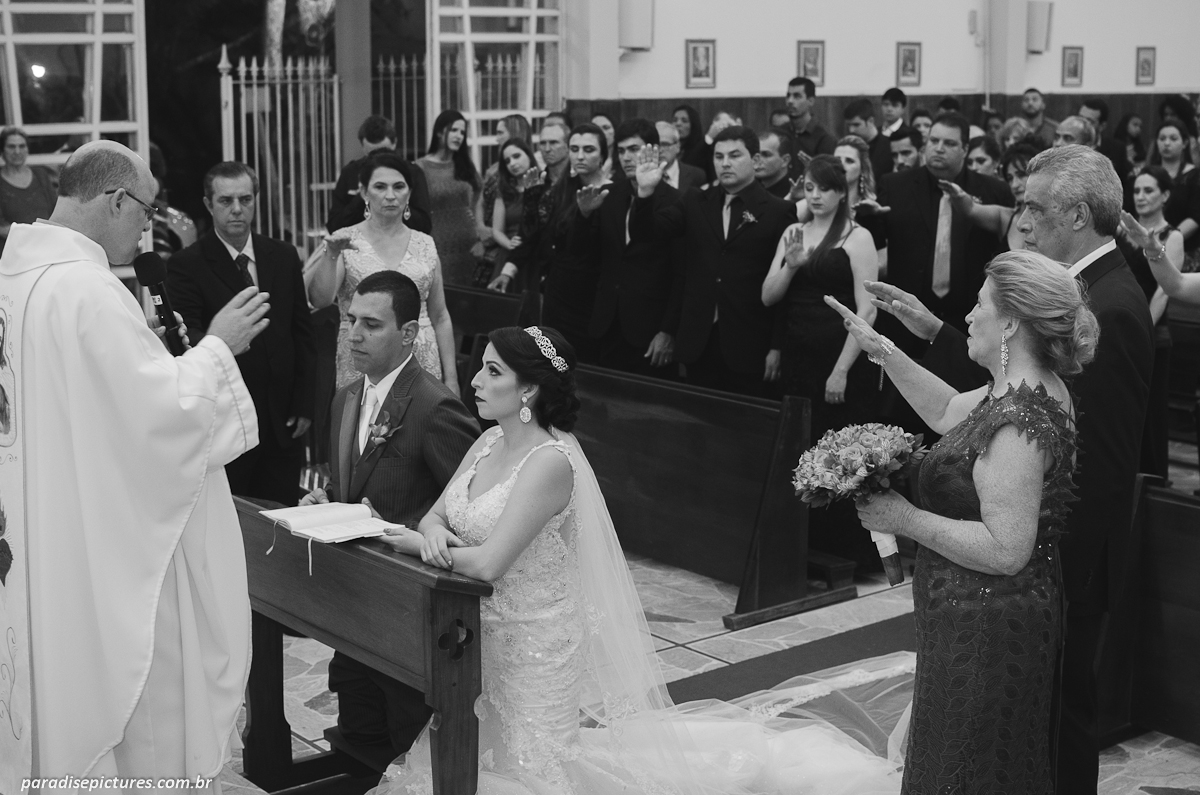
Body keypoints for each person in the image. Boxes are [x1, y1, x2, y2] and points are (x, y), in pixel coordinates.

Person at [367, 324, 915, 795]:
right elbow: (437, 515)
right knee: (475, 753)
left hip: (533, 643)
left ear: (529, 387)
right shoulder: (486, 443)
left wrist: (418, 544)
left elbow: (489, 564)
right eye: (480, 369)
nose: (476, 381)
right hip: (478, 631)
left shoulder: (549, 463)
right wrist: (432, 534)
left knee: (532, 768)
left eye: (492, 372)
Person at [869, 145, 1153, 795]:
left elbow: (1099, 464)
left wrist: (1042, 567)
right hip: (1027, 566)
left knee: (1049, 736)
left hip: (1054, 564)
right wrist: (922, 329)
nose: (1018, 215)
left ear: (1078, 213)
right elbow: (997, 383)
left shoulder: (1111, 304)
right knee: (1024, 741)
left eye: (1032, 204)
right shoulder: (1077, 293)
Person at [2, 140, 267, 783]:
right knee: (136, 710)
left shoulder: (16, 276)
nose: (147, 227)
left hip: (38, 521)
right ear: (116, 199)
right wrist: (216, 349)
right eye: (145, 211)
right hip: (94, 539)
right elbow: (161, 415)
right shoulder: (86, 290)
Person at [829, 250, 1096, 794]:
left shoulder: (1019, 420)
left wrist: (904, 518)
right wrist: (881, 349)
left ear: (1012, 322)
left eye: (979, 306)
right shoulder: (1017, 388)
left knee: (967, 767)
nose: (968, 317)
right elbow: (948, 408)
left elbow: (1005, 549)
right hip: (970, 612)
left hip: (989, 623)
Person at [300, 269, 478, 758]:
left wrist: (415, 534)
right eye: (350, 320)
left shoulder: (435, 408)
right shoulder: (346, 398)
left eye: (372, 324)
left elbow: (469, 511)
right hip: (354, 601)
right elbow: (349, 486)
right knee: (359, 732)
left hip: (410, 613)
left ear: (408, 334)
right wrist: (328, 502)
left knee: (408, 739)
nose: (354, 334)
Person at [167, 161, 316, 507]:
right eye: (226, 201)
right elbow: (187, 339)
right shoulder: (187, 264)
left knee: (282, 520)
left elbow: (301, 332)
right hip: (226, 419)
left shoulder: (282, 255)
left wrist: (305, 402)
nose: (237, 209)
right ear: (208, 204)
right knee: (235, 519)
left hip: (283, 422)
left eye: (245, 199)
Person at [762, 155, 880, 565]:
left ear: (840, 192)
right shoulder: (794, 233)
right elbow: (768, 296)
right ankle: (803, 546)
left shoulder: (856, 236)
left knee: (842, 455)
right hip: (798, 355)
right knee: (801, 448)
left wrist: (842, 369)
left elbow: (867, 311)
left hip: (838, 354)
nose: (813, 196)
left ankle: (845, 551)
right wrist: (791, 267)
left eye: (822, 189)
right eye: (808, 188)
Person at [632, 126, 798, 397]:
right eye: (719, 157)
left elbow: (786, 286)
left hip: (750, 342)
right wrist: (646, 193)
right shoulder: (696, 200)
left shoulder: (779, 211)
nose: (725, 163)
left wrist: (777, 346)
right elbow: (649, 234)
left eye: (734, 155)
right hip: (699, 339)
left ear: (755, 160)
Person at [308, 152, 459, 394]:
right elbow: (321, 299)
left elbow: (440, 316)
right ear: (364, 193)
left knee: (420, 428)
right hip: (363, 356)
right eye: (380, 187)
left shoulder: (425, 243)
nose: (390, 195)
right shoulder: (345, 240)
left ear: (409, 193)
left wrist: (452, 378)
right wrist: (331, 254)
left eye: (398, 187)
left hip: (420, 357)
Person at [875, 112, 1013, 355]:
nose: (938, 149)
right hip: (907, 317)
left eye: (949, 143)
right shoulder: (894, 186)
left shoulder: (993, 191)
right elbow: (878, 243)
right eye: (933, 141)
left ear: (965, 149)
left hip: (970, 320)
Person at [574, 119, 680, 378]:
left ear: (653, 151)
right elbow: (587, 255)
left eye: (634, 149)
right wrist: (585, 216)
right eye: (621, 151)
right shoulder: (609, 194)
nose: (627, 158)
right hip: (607, 320)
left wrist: (668, 330)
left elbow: (681, 272)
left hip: (650, 324)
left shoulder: (676, 199)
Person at [1115, 166, 1185, 478]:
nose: (1141, 197)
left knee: (1152, 414)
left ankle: (1154, 485)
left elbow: (1162, 294)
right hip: (1118, 332)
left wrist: (1140, 329)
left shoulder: (1173, 236)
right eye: (1137, 191)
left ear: (1165, 195)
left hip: (1152, 333)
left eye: (1149, 191)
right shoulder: (1120, 231)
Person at [327, 114, 432, 235]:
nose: (379, 160)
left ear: (394, 143)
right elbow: (334, 227)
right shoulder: (351, 172)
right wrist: (364, 197)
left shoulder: (412, 172)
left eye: (385, 153)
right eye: (372, 155)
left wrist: (397, 202)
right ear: (363, 147)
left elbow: (424, 226)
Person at [417, 109, 485, 285]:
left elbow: (479, 200)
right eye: (454, 130)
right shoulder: (421, 167)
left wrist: (480, 234)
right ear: (440, 132)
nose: (459, 136)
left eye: (462, 132)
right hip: (438, 245)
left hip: (469, 245)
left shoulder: (465, 165)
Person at [1151, 120, 1200, 269]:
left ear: (1184, 143)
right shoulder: (1148, 174)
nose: (1166, 143)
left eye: (1173, 139)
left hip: (1187, 249)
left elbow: (1196, 217)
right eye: (1162, 138)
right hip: (1151, 244)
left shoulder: (1194, 175)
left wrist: (1169, 241)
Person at [0, 126, 58, 252]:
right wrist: (33, 235)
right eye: (11, 146)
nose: (17, 151)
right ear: (2, 150)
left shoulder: (41, 175)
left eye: (22, 146)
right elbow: (1, 227)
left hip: (48, 247)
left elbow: (56, 210)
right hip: (15, 252)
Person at [843, 98, 893, 178]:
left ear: (871, 121)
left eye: (856, 125)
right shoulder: (848, 147)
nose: (851, 130)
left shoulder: (888, 146)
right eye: (849, 125)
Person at [655, 120, 707, 192]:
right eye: (655, 145)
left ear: (677, 146)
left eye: (665, 145)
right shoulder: (643, 176)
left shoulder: (697, 175)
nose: (659, 150)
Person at [755, 127, 795, 198]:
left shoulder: (795, 194)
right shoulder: (746, 189)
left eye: (766, 155)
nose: (757, 160)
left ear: (785, 160)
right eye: (755, 154)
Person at [672, 103, 710, 177]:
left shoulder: (702, 149)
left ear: (693, 125)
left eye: (684, 121)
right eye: (675, 120)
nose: (678, 123)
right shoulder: (668, 147)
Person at [591, 112, 617, 180]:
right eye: (595, 128)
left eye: (606, 128)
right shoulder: (585, 159)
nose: (601, 132)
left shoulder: (622, 159)